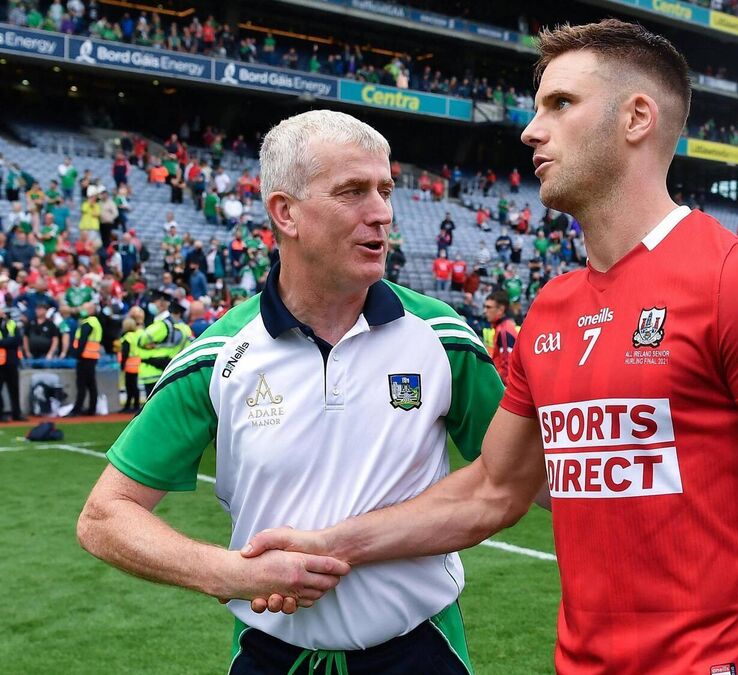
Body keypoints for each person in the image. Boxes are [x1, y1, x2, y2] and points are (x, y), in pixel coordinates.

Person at [241, 24, 738, 674]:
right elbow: (493, 488)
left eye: (560, 104)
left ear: (636, 118)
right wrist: (331, 543)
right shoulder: (552, 309)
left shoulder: (737, 284)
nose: (530, 131)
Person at [77, 110, 503, 675]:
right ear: (285, 212)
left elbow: (520, 479)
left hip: (421, 651)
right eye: (352, 191)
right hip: (270, 658)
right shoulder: (218, 354)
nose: (382, 212)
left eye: (385, 190)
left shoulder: (443, 338)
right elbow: (104, 516)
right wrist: (233, 573)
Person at [69, 301, 103, 416]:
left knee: (82, 384)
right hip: (91, 357)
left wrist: (77, 354)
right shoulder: (95, 322)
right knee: (91, 384)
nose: (82, 310)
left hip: (85, 357)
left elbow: (82, 341)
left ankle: (77, 409)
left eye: (84, 308)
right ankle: (91, 408)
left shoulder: (89, 323)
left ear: (91, 310)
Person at [481, 290, 519, 387]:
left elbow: (507, 368)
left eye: (488, 307)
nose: (485, 311)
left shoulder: (504, 331)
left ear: (501, 309)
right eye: (484, 307)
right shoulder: (502, 328)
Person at [0, 312, 25, 420]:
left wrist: (4, 342)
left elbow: (18, 340)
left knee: (14, 389)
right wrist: (9, 342)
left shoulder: (12, 324)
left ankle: (17, 414)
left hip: (12, 361)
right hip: (0, 363)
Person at [118, 315, 144, 412]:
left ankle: (130, 406)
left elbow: (125, 352)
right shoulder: (136, 336)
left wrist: (122, 364)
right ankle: (134, 405)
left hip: (129, 365)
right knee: (134, 386)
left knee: (130, 386)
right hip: (137, 363)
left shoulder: (127, 337)